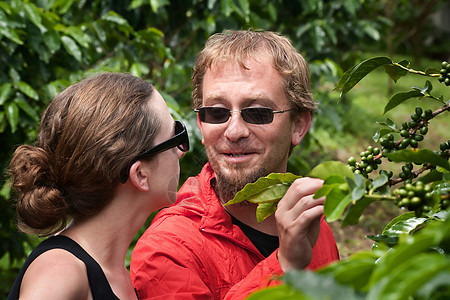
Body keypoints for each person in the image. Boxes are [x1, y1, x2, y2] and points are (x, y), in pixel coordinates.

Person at [130, 30, 339, 299]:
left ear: (298, 125)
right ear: (201, 126)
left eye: (258, 112)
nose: (234, 131)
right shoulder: (169, 248)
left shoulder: (311, 218)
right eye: (217, 112)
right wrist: (285, 265)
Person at [7, 72, 189, 300]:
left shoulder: (117, 277)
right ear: (140, 174)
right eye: (175, 137)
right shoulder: (60, 271)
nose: (181, 151)